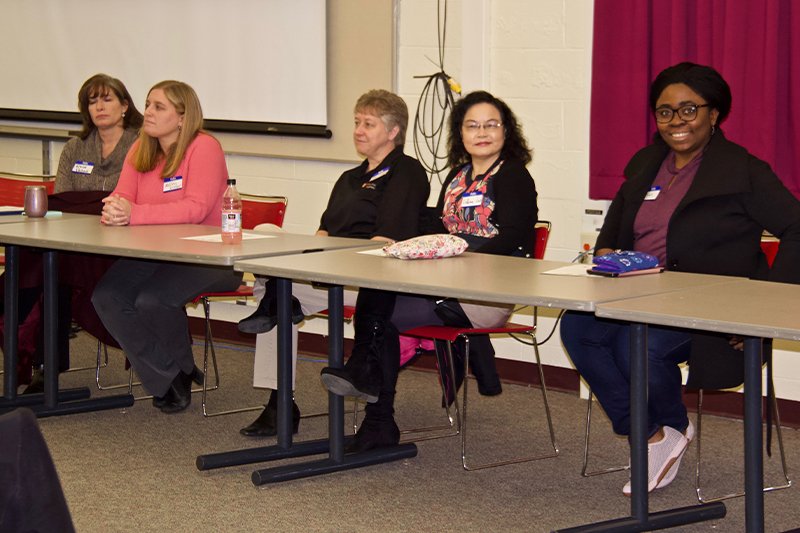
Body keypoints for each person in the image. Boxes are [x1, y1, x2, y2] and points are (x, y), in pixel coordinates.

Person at [560, 62, 800, 496]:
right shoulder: (646, 163)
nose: (676, 122)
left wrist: (767, 305)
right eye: (665, 112)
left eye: (689, 110)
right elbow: (611, 234)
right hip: (639, 292)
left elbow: (796, 226)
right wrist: (608, 254)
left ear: (715, 114)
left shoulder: (742, 169)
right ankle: (654, 434)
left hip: (709, 306)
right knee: (578, 327)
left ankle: (665, 429)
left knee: (639, 346)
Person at [320, 90, 539, 453]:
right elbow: (440, 225)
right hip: (445, 282)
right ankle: (375, 410)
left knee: (382, 310)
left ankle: (374, 408)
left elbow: (518, 239)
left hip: (485, 293)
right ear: (461, 133)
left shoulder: (514, 176)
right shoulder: (458, 175)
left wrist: (462, 253)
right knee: (381, 289)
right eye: (472, 125)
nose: (481, 132)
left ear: (506, 131)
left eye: (491, 125)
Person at [235, 89, 430, 437]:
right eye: (357, 122)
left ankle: (280, 301)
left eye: (369, 124)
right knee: (270, 256)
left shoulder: (406, 172)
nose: (358, 130)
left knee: (277, 295)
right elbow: (323, 232)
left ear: (393, 131)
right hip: (331, 276)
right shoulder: (348, 179)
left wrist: (330, 263)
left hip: (373, 287)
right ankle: (279, 401)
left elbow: (385, 243)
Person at [91, 80, 242, 414]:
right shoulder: (140, 148)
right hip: (153, 253)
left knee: (153, 299)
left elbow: (196, 208)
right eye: (147, 104)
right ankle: (171, 373)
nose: (148, 112)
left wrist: (134, 214)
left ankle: (179, 373)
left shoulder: (204, 147)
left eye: (158, 107)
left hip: (210, 255)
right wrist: (115, 208)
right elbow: (124, 194)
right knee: (107, 295)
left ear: (182, 116)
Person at [0, 74, 143, 393]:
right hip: (74, 242)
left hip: (121, 244)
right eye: (92, 101)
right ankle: (42, 366)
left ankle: (36, 359)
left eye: (107, 99)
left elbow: (137, 197)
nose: (100, 107)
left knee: (44, 271)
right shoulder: (75, 147)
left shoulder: (141, 146)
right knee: (50, 272)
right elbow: (62, 199)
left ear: (124, 106)